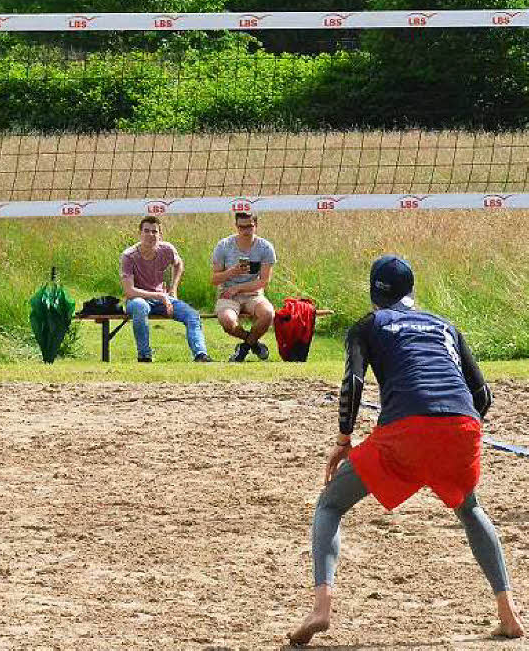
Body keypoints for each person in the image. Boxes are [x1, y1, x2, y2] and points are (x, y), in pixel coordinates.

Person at [288, 255, 524, 646]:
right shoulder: (446, 326)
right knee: (470, 508)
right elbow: (483, 395)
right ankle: (509, 613)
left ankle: (321, 608)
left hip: (405, 429)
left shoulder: (368, 325)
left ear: (373, 293)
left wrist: (343, 440)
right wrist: (453, 434)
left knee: (330, 505)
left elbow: (352, 384)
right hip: (463, 425)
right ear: (412, 291)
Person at [119, 216, 211, 363]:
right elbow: (129, 291)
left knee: (192, 315)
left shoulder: (167, 249)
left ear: (160, 235)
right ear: (139, 233)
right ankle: (144, 355)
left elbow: (179, 264)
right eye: (146, 231)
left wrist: (173, 288)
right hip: (138, 299)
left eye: (154, 232)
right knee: (140, 306)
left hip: (164, 299)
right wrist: (160, 296)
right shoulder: (128, 256)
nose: (150, 235)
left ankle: (200, 354)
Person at [210, 211, 276, 362]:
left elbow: (264, 281)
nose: (246, 231)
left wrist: (239, 288)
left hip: (253, 294)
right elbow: (214, 279)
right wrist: (232, 272)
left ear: (256, 226)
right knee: (227, 321)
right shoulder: (224, 246)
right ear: (236, 227)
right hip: (228, 294)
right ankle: (254, 344)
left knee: (268, 314)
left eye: (249, 227)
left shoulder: (265, 248)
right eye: (242, 227)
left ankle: (243, 349)